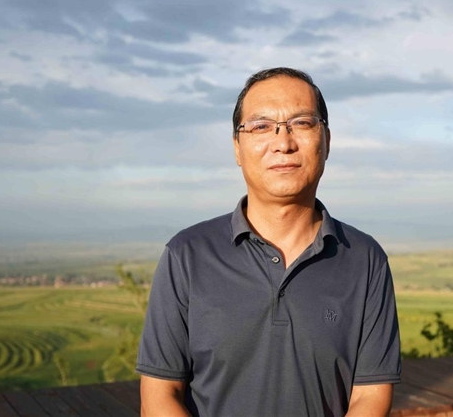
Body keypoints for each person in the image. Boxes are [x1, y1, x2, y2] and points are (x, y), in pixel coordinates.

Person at [137, 67, 401, 416]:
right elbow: (159, 396)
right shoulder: (186, 255)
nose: (283, 143)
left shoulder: (365, 259)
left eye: (302, 123)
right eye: (261, 126)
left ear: (326, 140)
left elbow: (371, 397)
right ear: (237, 147)